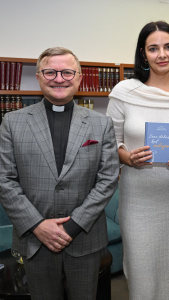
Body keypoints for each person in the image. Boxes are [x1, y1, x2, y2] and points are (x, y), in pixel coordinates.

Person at [0, 47, 120, 300]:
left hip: (84, 238)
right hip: (35, 239)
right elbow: (5, 179)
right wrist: (37, 225)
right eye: (50, 72)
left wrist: (74, 225)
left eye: (67, 72)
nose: (59, 78)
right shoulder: (12, 122)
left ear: (78, 78)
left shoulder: (101, 123)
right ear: (40, 77)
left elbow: (108, 179)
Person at [106, 21, 169, 300]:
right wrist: (128, 157)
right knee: (141, 270)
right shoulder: (124, 92)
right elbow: (110, 143)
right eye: (153, 48)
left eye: (168, 46)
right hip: (138, 198)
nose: (162, 54)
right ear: (143, 53)